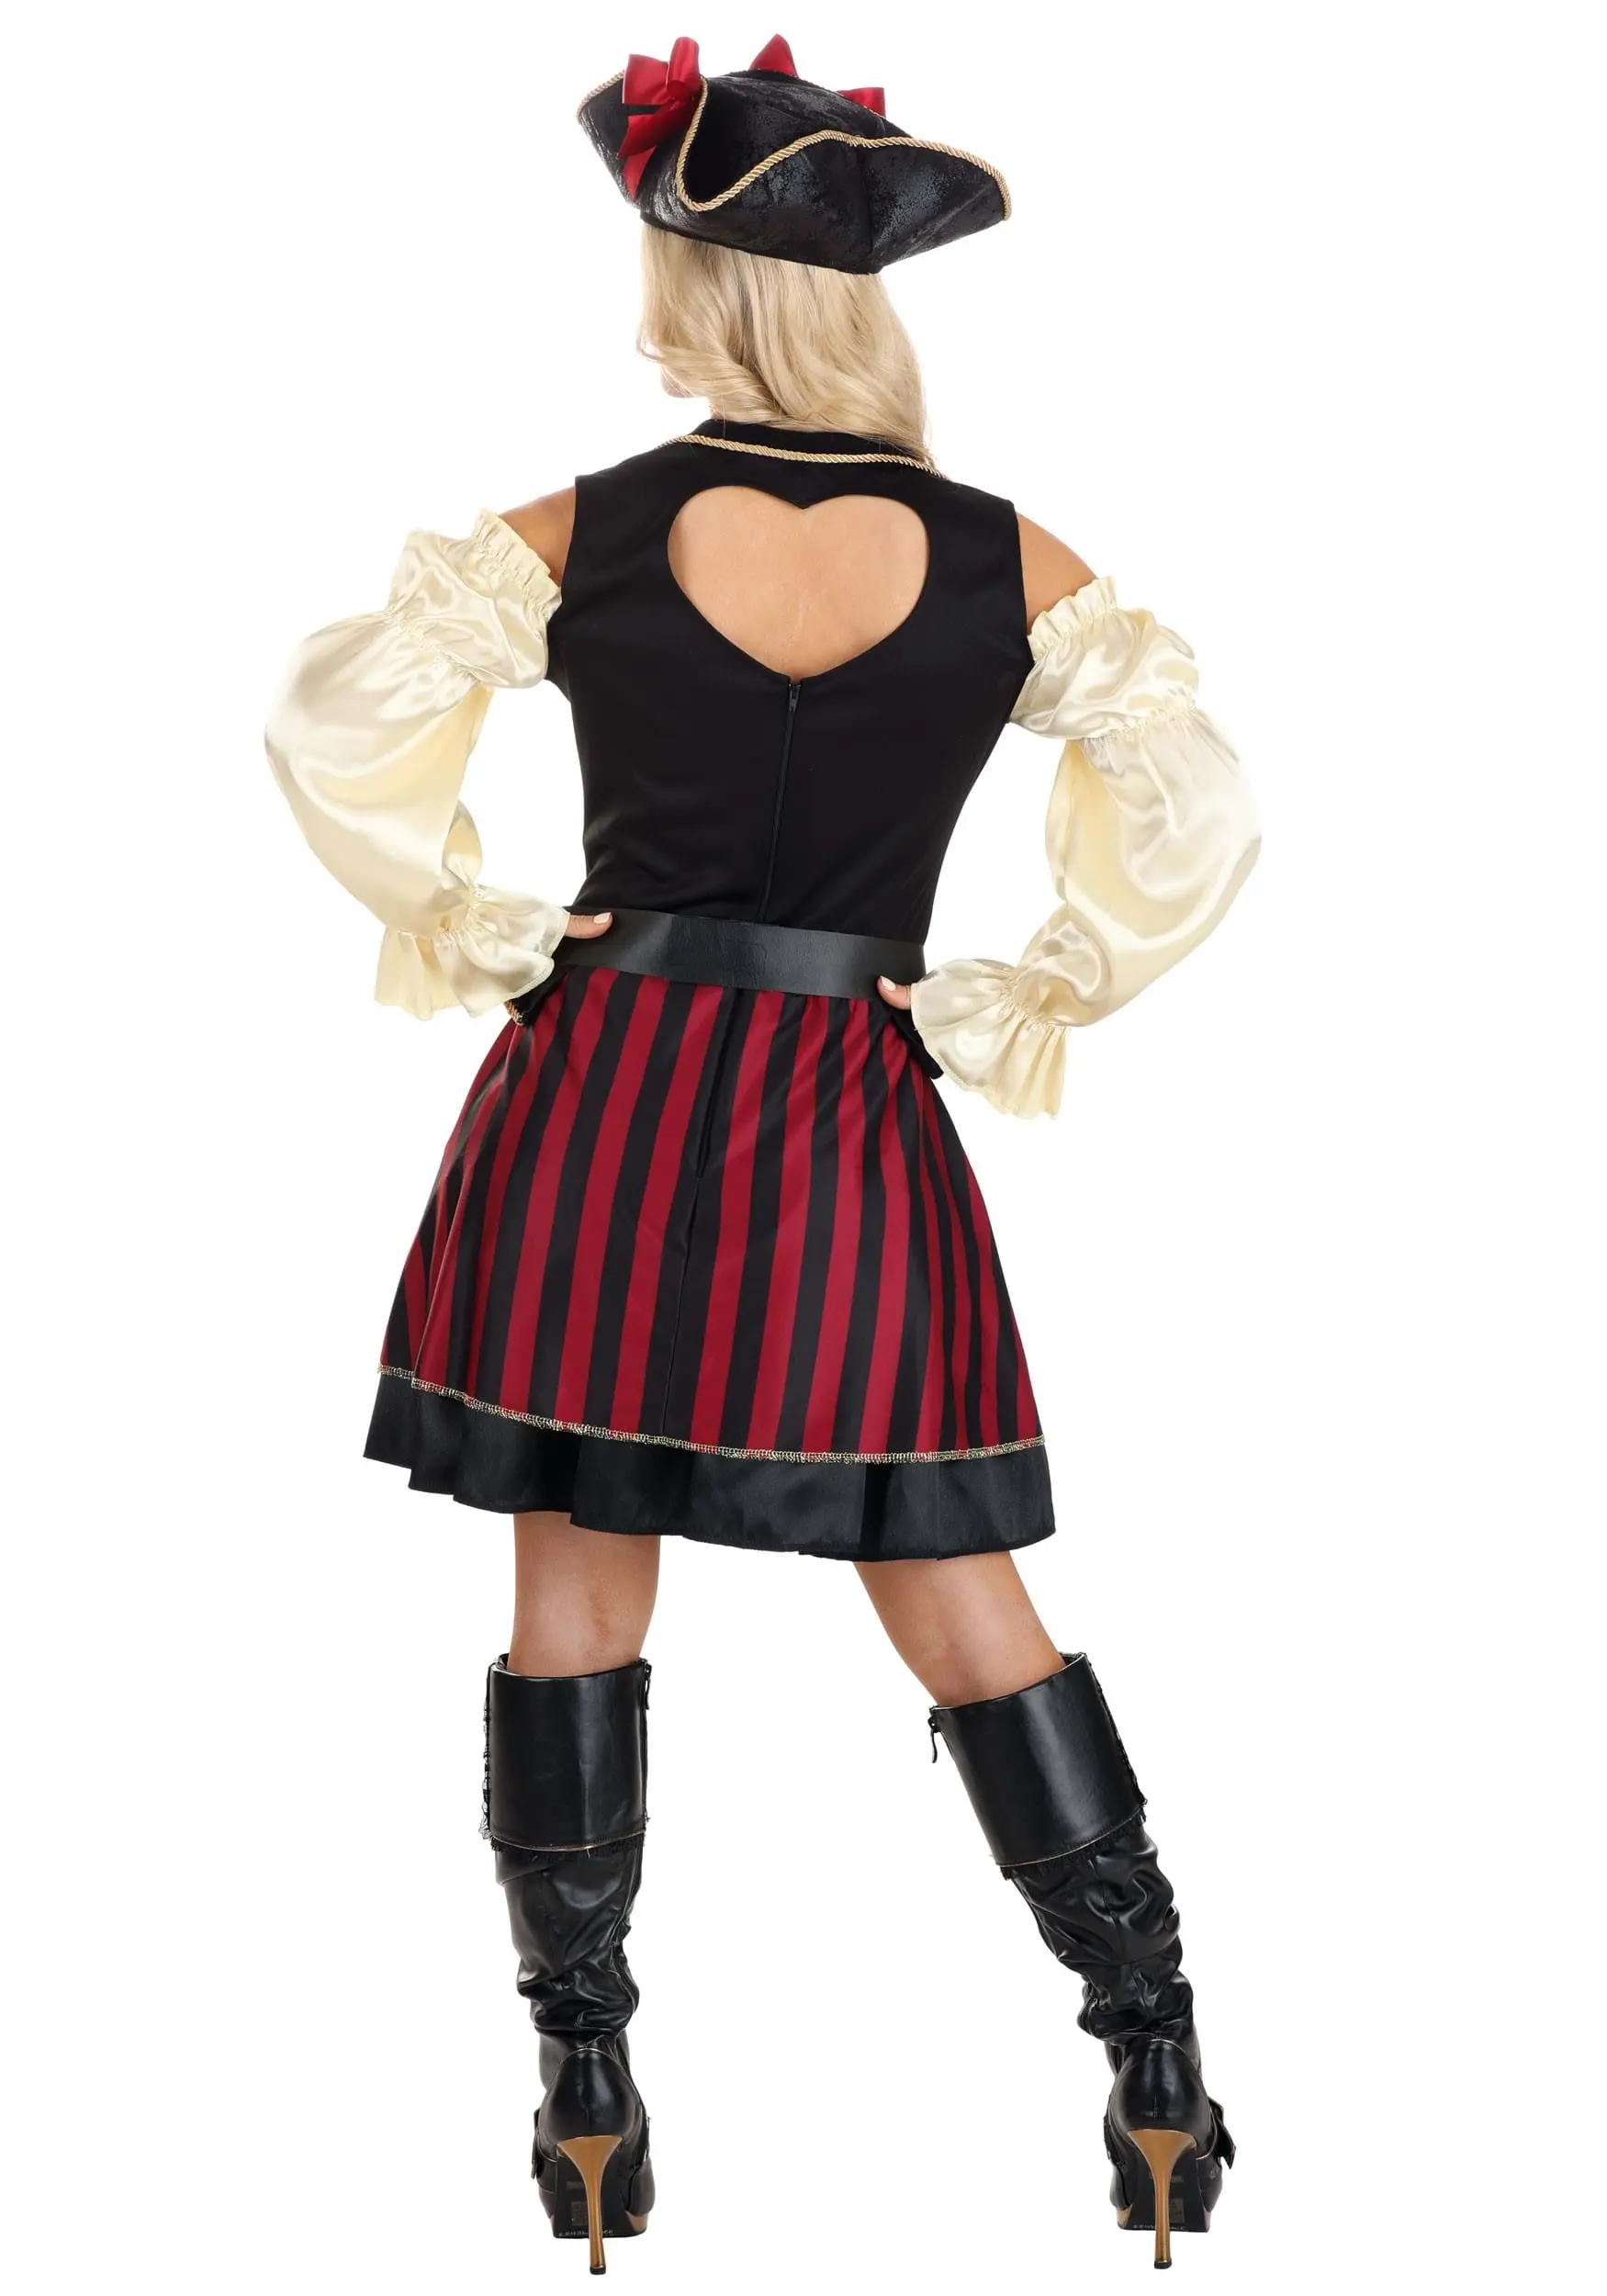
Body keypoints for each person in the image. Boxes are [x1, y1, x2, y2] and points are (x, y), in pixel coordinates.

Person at [264, 36, 1257, 2275]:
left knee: (569, 1597)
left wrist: (475, 922)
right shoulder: (1011, 561)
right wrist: (1043, 981)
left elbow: (324, 720)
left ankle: (583, 2088)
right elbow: (1199, 803)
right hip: (843, 1113)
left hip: (597, 1102)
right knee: (962, 1591)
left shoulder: (586, 530)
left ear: (694, 289)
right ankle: (1155, 2059)